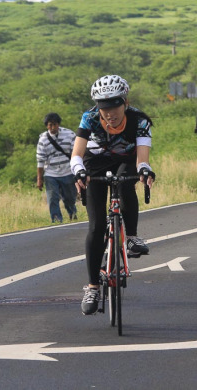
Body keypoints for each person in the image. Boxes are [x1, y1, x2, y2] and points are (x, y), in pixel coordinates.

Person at [71, 75, 155, 315]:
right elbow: (77, 154)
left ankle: (132, 237)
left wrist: (145, 170)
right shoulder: (89, 118)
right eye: (103, 107)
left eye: (114, 105)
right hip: (94, 162)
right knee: (96, 227)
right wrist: (79, 172)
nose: (109, 113)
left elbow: (142, 157)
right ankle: (93, 286)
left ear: (125, 102)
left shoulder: (139, 120)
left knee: (125, 184)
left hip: (126, 160)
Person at [36, 112, 78, 223]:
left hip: (67, 171)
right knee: (52, 198)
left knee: (69, 198)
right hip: (51, 173)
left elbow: (75, 153)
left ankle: (72, 214)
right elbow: (40, 160)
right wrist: (39, 179)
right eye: (50, 125)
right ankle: (56, 219)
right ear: (46, 126)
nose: (52, 127)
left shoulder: (69, 134)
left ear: (58, 124)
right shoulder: (43, 139)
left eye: (55, 124)